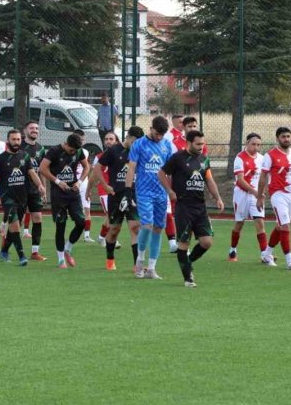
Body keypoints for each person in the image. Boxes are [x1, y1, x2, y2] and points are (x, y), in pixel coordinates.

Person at [159, 130, 225, 287]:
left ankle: (188, 262)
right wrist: (170, 191)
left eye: (203, 144)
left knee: (207, 242)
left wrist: (218, 198)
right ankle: (188, 278)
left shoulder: (204, 159)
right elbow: (161, 174)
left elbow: (209, 180)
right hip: (184, 206)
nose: (201, 147)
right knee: (183, 243)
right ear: (188, 143)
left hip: (200, 207)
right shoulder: (177, 158)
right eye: (198, 144)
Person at [256, 126, 291, 270]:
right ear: (277, 138)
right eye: (283, 136)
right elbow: (263, 176)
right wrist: (259, 196)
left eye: (288, 136)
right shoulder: (270, 155)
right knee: (285, 226)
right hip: (277, 194)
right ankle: (290, 260)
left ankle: (267, 253)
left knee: (280, 226)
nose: (286, 139)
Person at [125, 116, 174, 279]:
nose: (159, 137)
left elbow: (169, 171)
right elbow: (131, 168)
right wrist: (128, 190)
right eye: (157, 133)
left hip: (161, 193)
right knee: (147, 224)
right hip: (144, 192)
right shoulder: (139, 144)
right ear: (151, 128)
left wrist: (171, 189)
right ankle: (139, 260)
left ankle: (152, 268)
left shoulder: (167, 145)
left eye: (162, 134)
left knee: (159, 228)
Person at [0, 129, 43, 266]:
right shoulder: (1, 158)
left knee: (15, 227)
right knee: (15, 226)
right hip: (8, 198)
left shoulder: (24, 156)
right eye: (13, 139)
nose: (16, 142)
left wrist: (40, 186)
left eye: (18, 139)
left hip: (22, 197)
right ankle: (22, 256)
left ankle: (3, 250)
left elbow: (32, 173)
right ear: (8, 140)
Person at [38, 133, 89, 269]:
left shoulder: (78, 151)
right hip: (58, 194)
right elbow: (42, 169)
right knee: (61, 226)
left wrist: (79, 181)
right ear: (66, 143)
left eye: (75, 151)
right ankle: (61, 260)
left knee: (81, 223)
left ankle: (68, 248)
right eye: (71, 150)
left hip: (73, 192)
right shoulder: (54, 151)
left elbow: (87, 167)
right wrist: (57, 181)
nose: (73, 153)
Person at [95, 127, 143, 271]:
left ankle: (137, 265)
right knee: (114, 229)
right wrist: (105, 185)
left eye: (138, 143)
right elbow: (97, 168)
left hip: (133, 195)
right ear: (127, 137)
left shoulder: (138, 151)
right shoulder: (113, 151)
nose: (135, 145)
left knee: (135, 227)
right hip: (115, 196)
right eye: (133, 141)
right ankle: (110, 259)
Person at [229, 132, 269, 263]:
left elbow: (265, 178)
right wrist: (254, 191)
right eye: (253, 144)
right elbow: (240, 180)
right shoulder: (239, 158)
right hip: (241, 195)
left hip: (255, 196)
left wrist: (261, 193)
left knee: (259, 222)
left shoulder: (262, 159)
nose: (256, 147)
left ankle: (264, 254)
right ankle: (233, 249)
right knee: (239, 223)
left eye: (258, 145)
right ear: (246, 143)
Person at [85, 131, 120, 246]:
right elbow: (94, 175)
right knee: (111, 215)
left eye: (111, 139)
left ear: (116, 141)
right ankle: (111, 238)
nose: (108, 141)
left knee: (113, 215)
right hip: (104, 190)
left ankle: (101, 237)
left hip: (118, 189)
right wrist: (89, 189)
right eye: (106, 139)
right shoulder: (99, 157)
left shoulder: (123, 155)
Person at [20, 121, 48, 260]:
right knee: (15, 221)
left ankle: (35, 252)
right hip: (20, 188)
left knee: (37, 218)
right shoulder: (19, 146)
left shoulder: (41, 149)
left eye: (36, 128)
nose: (34, 130)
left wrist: (43, 189)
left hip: (35, 189)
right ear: (25, 130)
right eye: (31, 128)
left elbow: (42, 171)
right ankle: (5, 248)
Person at [73, 129, 96, 243]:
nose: (80, 141)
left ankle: (86, 235)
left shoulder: (85, 152)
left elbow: (89, 168)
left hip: (83, 183)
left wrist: (88, 187)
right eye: (78, 139)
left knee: (87, 209)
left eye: (82, 139)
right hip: (70, 183)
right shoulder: (66, 151)